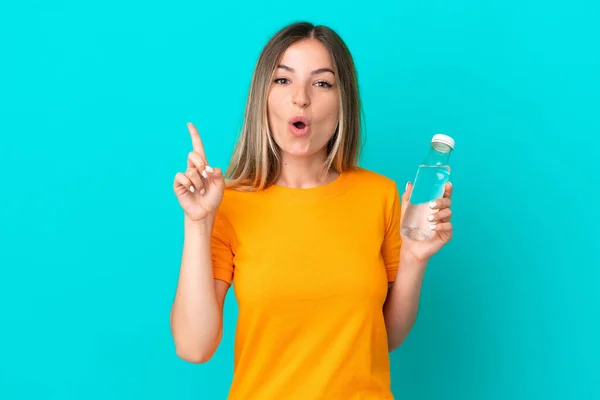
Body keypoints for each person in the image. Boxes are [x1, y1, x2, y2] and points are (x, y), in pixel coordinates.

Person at [170, 21, 453, 399]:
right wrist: (198, 222)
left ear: (342, 101)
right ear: (263, 97)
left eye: (322, 83)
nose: (300, 98)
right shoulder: (229, 205)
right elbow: (194, 347)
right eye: (283, 80)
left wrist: (415, 260)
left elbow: (381, 338)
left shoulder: (380, 196)